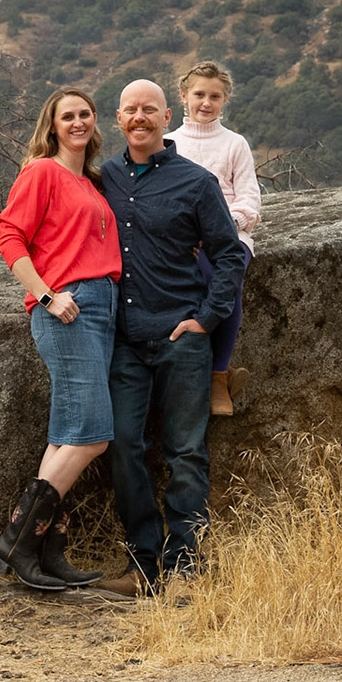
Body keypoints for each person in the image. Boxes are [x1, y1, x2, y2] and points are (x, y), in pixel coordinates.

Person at [97, 79, 248, 596]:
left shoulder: (196, 182)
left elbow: (228, 253)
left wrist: (206, 318)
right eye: (130, 110)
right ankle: (144, 566)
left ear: (167, 117)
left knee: (186, 451)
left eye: (149, 110)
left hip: (182, 336)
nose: (139, 118)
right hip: (125, 340)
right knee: (122, 445)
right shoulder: (106, 178)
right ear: (118, 118)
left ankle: (184, 568)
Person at [0, 88, 122, 591]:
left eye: (85, 114)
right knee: (93, 434)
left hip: (102, 309)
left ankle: (46, 551)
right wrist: (46, 296)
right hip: (68, 309)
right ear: (52, 124)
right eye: (67, 115)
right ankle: (15, 543)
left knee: (67, 436)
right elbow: (9, 236)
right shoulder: (42, 171)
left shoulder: (91, 181)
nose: (78, 122)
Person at [169, 61, 262, 417]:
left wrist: (219, 229)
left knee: (226, 280)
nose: (206, 102)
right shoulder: (170, 144)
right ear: (183, 96)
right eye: (199, 94)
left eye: (214, 96)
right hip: (186, 239)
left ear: (225, 101)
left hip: (231, 236)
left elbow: (250, 202)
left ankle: (218, 376)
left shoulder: (234, 144)